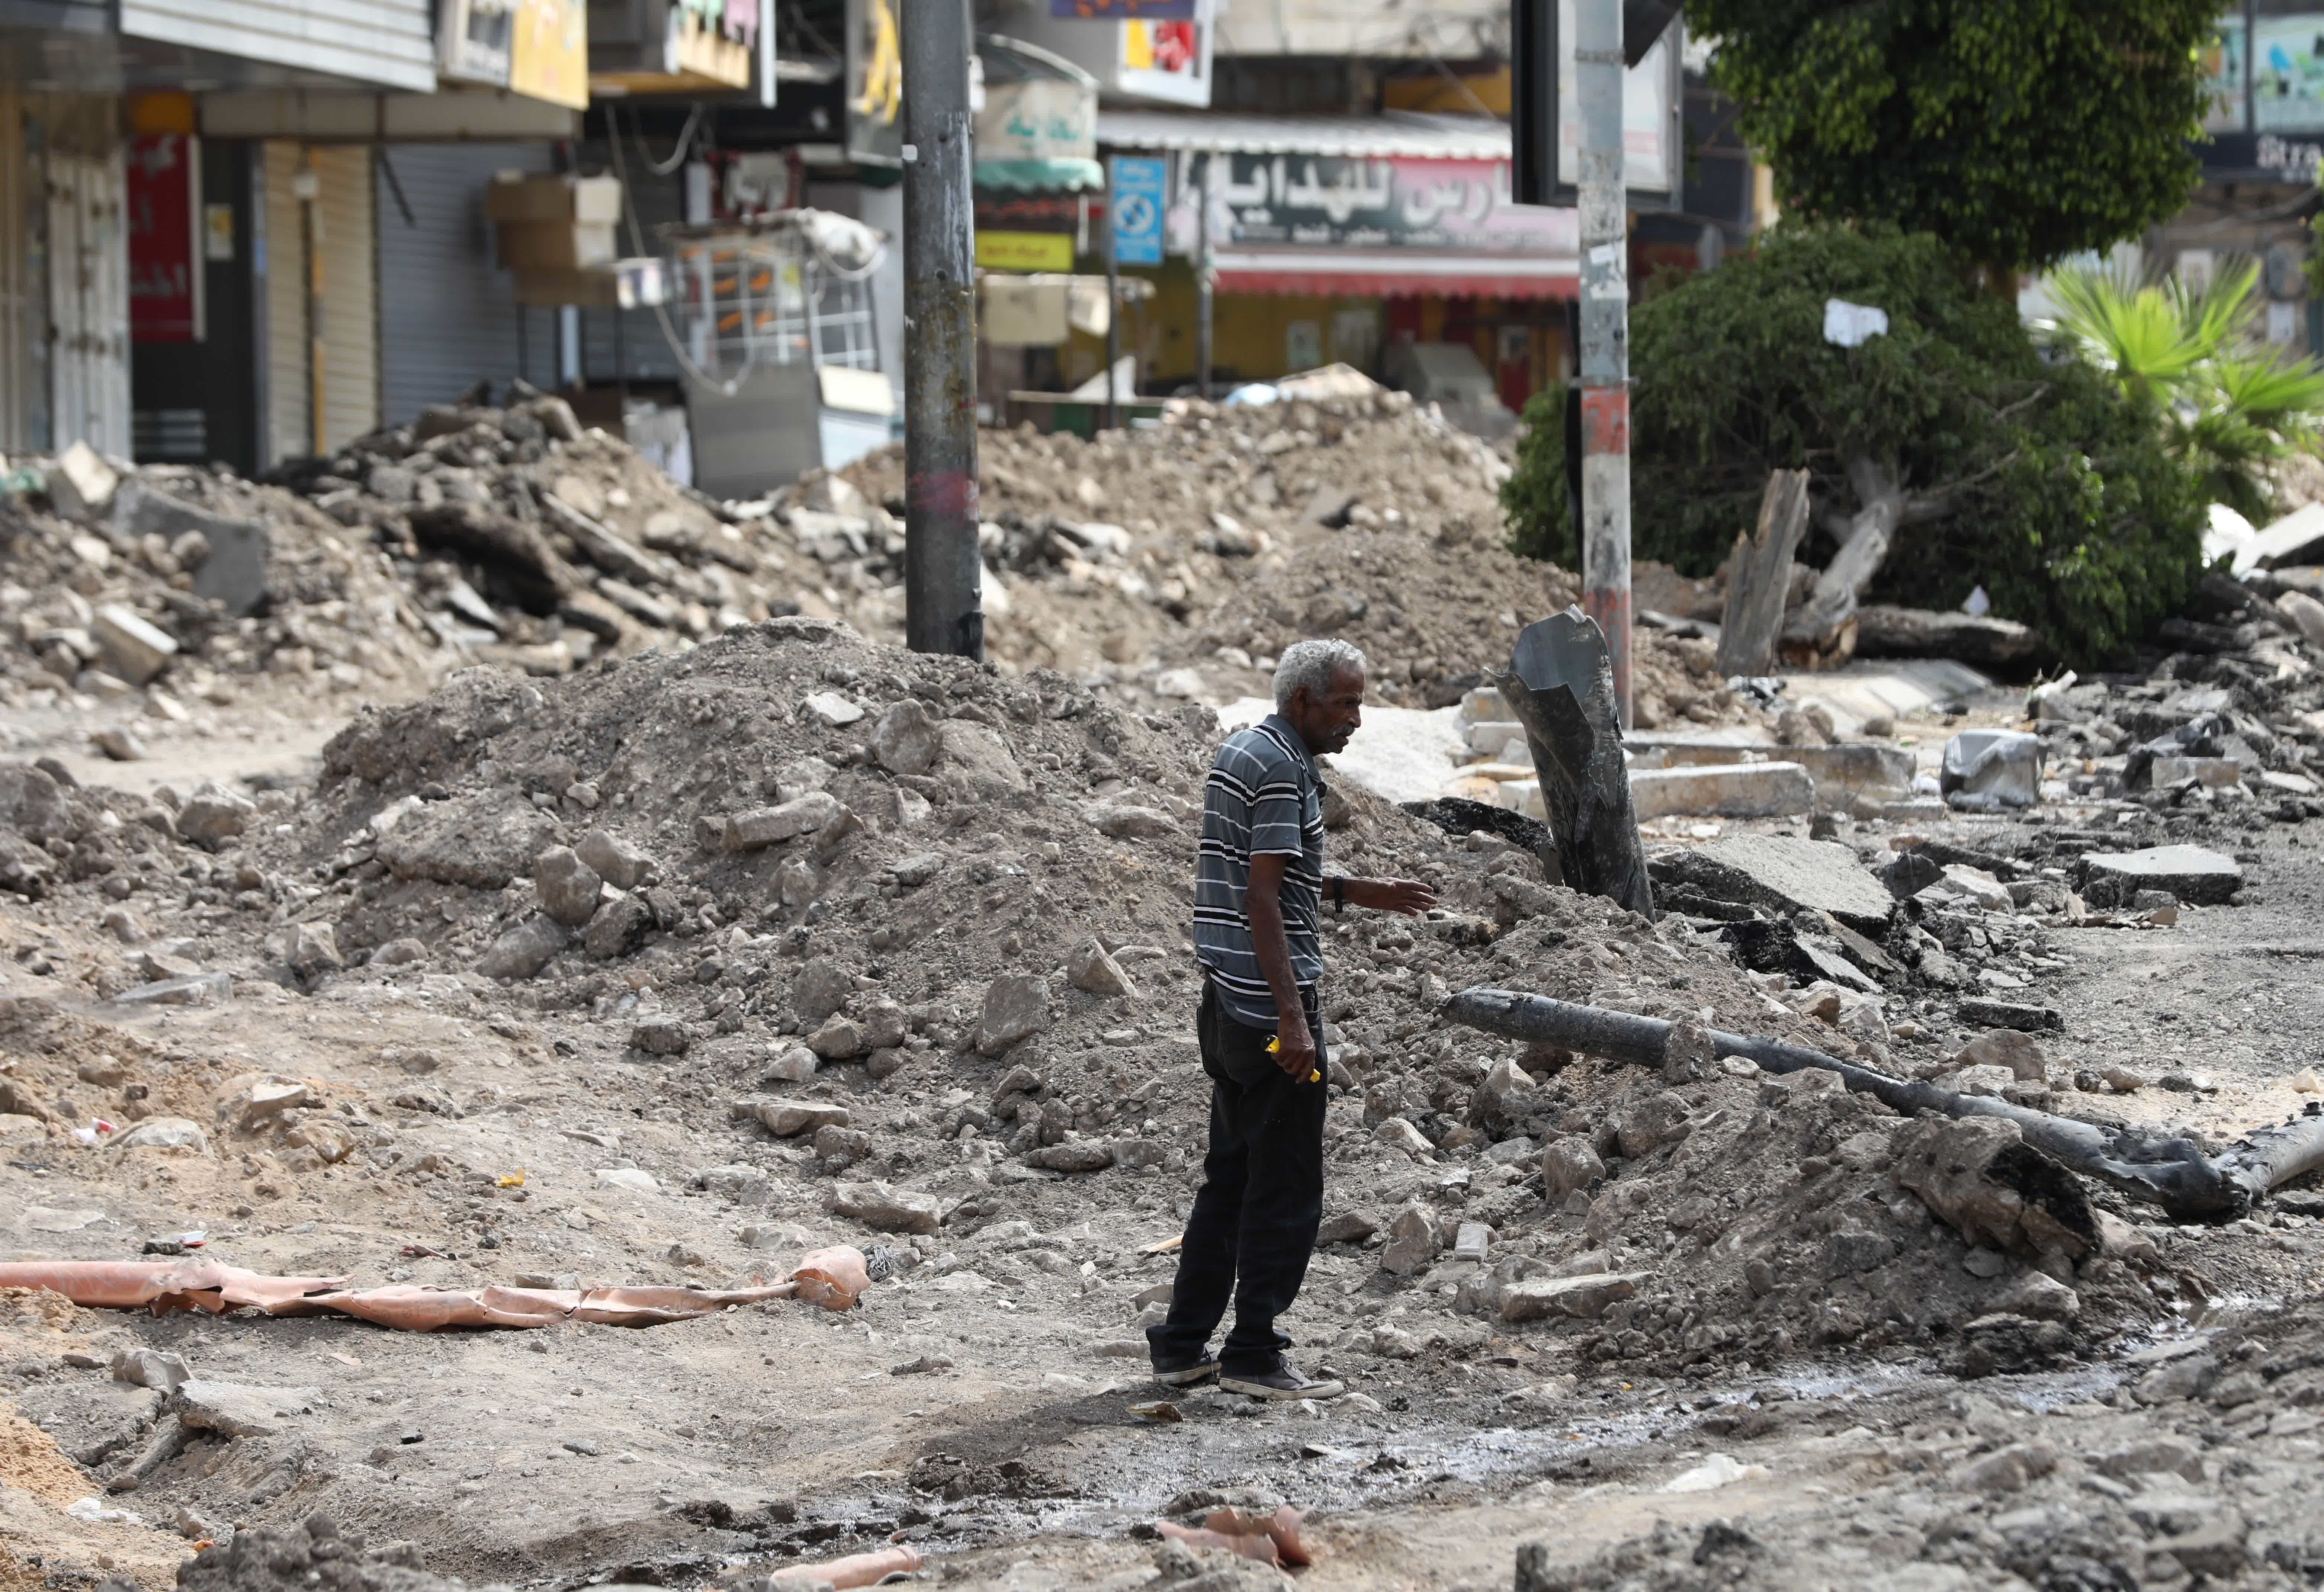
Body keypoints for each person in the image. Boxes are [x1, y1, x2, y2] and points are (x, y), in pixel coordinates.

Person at [1147, 638, 1437, 1400]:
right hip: (1270, 1009)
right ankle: (1253, 1351)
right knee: (1286, 1186)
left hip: (1224, 1001)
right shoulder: (1282, 770)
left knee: (1230, 1179)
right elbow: (1264, 900)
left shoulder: (1245, 751)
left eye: (1359, 701)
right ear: (1301, 701)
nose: (1357, 719)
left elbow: (1268, 876)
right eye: (1345, 703)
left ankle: (1182, 1343)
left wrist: (1358, 892)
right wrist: (1293, 1021)